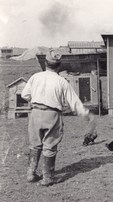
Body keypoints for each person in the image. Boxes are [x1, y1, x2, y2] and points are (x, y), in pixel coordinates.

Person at [21, 49, 94, 186]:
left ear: (45, 63)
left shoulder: (35, 77)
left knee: (35, 144)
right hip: (52, 114)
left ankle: (31, 173)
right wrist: (86, 114)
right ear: (59, 66)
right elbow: (74, 102)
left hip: (35, 113)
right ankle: (47, 178)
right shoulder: (62, 81)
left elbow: (25, 95)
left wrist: (36, 99)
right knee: (49, 145)